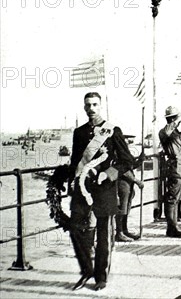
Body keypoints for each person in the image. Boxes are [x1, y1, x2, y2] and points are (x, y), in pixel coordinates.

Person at [68, 92, 134, 291]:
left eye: (95, 104)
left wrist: (109, 173)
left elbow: (127, 161)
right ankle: (87, 269)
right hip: (83, 187)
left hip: (104, 189)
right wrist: (71, 182)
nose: (91, 108)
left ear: (100, 106)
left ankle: (100, 277)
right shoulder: (79, 133)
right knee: (74, 228)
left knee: (104, 234)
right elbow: (75, 161)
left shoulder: (112, 131)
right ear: (84, 107)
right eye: (88, 105)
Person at [158, 106, 181, 238]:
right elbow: (165, 134)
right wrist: (173, 122)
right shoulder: (165, 132)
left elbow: (179, 151)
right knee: (172, 199)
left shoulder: (175, 133)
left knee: (177, 198)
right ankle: (172, 228)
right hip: (174, 168)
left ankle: (174, 226)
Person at [115, 161, 145, 242]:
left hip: (128, 183)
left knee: (126, 208)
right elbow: (122, 168)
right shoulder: (119, 150)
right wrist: (136, 180)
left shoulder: (125, 150)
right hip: (122, 182)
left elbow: (128, 166)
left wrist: (139, 160)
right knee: (122, 208)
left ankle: (124, 230)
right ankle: (119, 232)